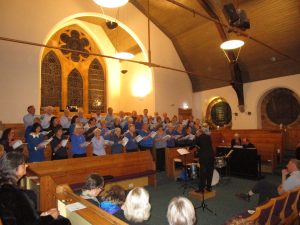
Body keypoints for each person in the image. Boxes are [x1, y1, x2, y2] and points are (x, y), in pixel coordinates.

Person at [0, 152, 71, 225]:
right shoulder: (17, 195)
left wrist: (44, 213)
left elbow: (22, 215)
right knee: (65, 221)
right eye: (23, 164)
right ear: (15, 169)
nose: (27, 165)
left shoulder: (4, 187)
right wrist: (51, 216)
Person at [195, 127, 214, 192]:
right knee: (210, 172)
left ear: (199, 133)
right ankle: (209, 187)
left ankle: (201, 188)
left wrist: (196, 137)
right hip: (211, 156)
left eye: (196, 133)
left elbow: (194, 143)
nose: (196, 134)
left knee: (203, 173)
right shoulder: (208, 136)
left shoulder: (199, 137)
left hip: (204, 158)